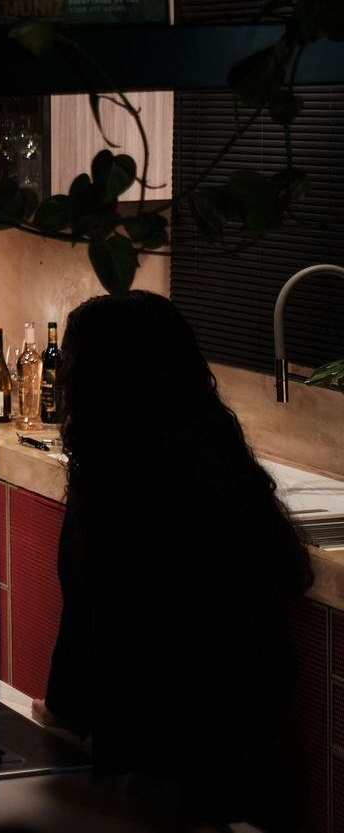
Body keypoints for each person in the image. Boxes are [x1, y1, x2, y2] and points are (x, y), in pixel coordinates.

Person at [36, 291, 312, 831]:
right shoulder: (210, 452)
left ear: (106, 377)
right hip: (239, 735)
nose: (62, 375)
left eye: (71, 362)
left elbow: (99, 614)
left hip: (168, 748)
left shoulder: (124, 476)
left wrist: (64, 714)